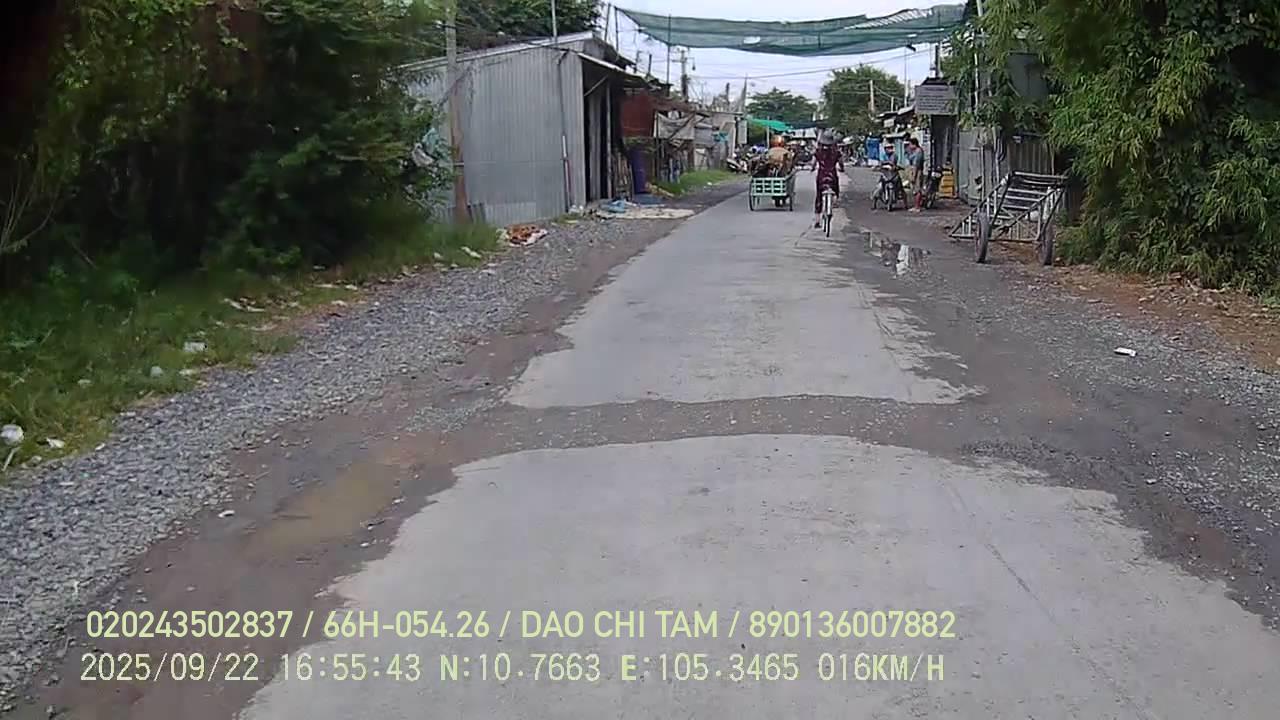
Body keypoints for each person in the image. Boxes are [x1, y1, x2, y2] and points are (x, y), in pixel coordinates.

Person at [812, 129, 844, 228]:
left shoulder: (818, 152)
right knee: (836, 189)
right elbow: (841, 163)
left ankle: (817, 220)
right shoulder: (836, 152)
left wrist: (812, 168)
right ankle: (835, 200)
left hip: (821, 176)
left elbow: (813, 163)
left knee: (819, 196)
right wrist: (842, 168)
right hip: (832, 176)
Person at [906, 137, 926, 212]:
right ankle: (917, 205)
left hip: (917, 171)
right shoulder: (914, 151)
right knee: (915, 189)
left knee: (917, 189)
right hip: (915, 170)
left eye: (910, 144)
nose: (909, 146)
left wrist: (914, 176)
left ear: (914, 144)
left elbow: (916, 165)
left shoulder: (918, 152)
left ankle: (917, 207)